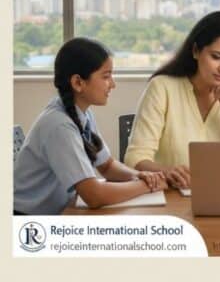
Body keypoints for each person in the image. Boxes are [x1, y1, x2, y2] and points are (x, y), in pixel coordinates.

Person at [13, 38, 167, 215]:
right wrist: (145, 186)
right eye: (106, 76)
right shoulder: (60, 125)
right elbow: (94, 196)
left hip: (56, 214)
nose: (113, 84)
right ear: (78, 82)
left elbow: (107, 166)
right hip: (26, 223)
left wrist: (137, 175)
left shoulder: (81, 114)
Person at [124, 11, 220, 189]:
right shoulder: (162, 87)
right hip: (171, 199)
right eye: (217, 57)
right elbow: (135, 159)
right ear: (196, 51)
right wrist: (167, 171)